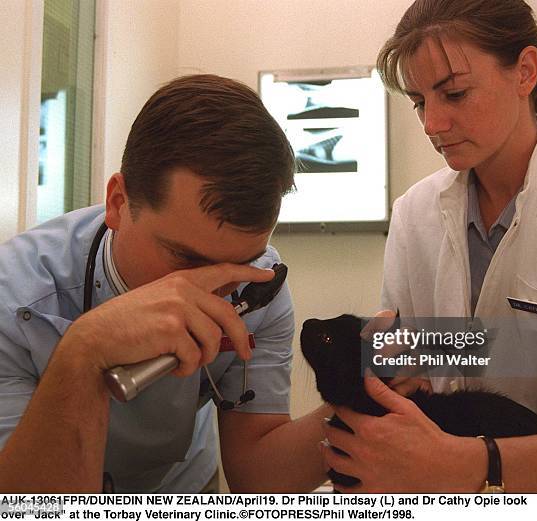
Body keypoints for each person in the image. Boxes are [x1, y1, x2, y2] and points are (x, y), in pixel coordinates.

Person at [319, 0, 537, 492]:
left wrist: (478, 464)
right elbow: (450, 365)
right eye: (418, 101)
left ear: (525, 71)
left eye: (453, 94)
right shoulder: (415, 214)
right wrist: (397, 367)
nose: (432, 124)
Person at [0, 74, 332, 493]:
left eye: (238, 264)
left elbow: (259, 478)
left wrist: (363, 396)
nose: (213, 292)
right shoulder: (13, 298)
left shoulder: (258, 287)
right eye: (186, 259)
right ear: (119, 203)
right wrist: (83, 351)